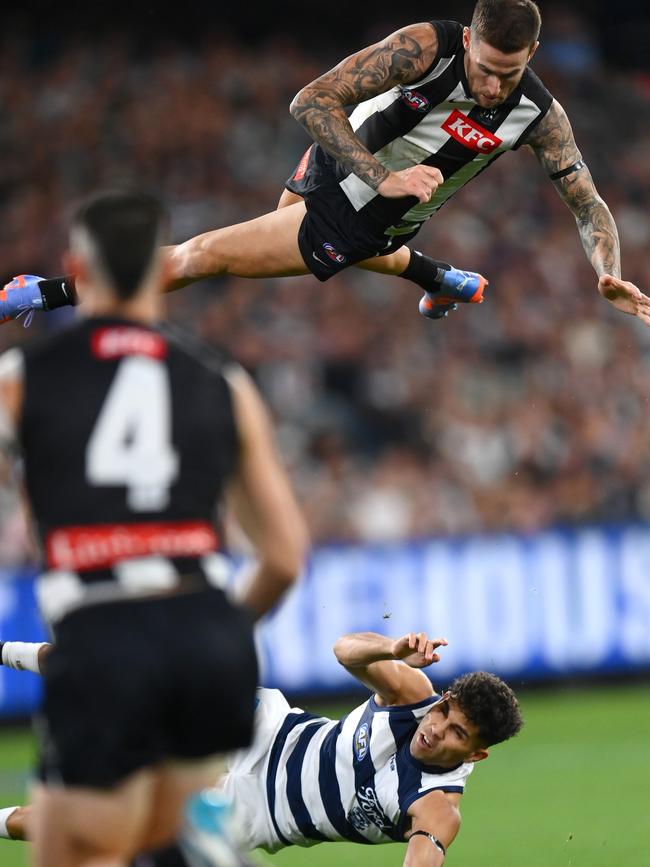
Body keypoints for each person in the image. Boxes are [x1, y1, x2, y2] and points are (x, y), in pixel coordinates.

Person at [5, 0, 650, 328]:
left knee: (203, 257)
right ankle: (439, 277)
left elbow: (587, 203)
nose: (488, 86)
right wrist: (383, 174)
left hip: (363, 218)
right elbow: (310, 100)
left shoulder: (540, 114)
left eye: (506, 74)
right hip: (349, 167)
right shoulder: (427, 46)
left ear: (533, 52)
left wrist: (608, 271)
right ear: (467, 41)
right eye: (482, 68)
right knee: (257, 230)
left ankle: (44, 293)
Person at [0, 189, 308, 867]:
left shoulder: (24, 378)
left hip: (104, 639)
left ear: (74, 265)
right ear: (161, 269)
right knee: (160, 835)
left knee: (71, 849)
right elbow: (284, 556)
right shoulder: (222, 380)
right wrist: (220, 625)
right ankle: (191, 841)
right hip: (205, 645)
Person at [0, 630, 523, 867]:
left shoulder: (435, 806)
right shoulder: (413, 697)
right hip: (272, 731)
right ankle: (9, 651)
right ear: (444, 698)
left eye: (459, 735)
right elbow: (344, 650)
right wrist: (392, 649)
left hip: (257, 813)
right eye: (445, 713)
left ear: (476, 755)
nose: (438, 729)